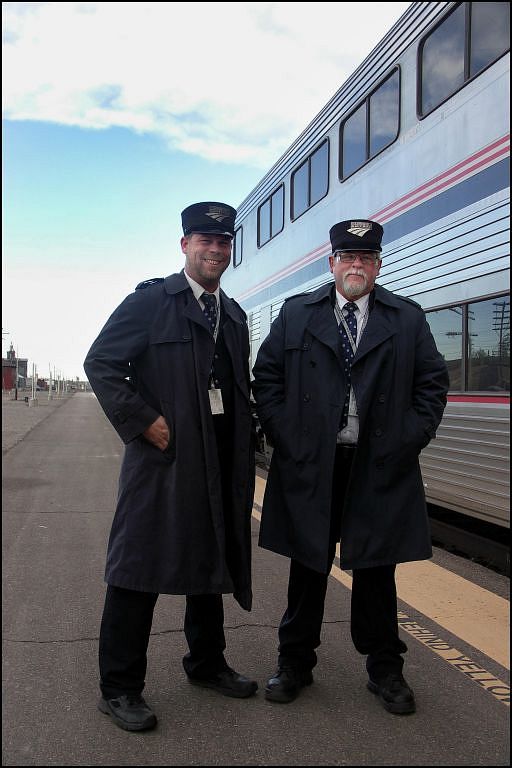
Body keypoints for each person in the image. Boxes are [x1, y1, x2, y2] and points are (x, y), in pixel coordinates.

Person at [252, 218, 449, 715]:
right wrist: (286, 436)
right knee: (307, 567)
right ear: (332, 262)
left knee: (378, 572)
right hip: (313, 464)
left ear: (378, 264)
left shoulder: (406, 318)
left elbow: (432, 383)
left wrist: (409, 440)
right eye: (346, 256)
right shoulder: (298, 314)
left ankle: (385, 669)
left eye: (365, 258)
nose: (355, 265)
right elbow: (267, 376)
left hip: (379, 466)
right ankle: (294, 662)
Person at [84, 201, 257, 732]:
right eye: (204, 240)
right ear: (184, 246)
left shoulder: (234, 316)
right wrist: (143, 421)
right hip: (161, 462)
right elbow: (101, 363)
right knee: (136, 571)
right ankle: (118, 687)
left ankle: (205, 664)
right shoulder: (150, 303)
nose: (215, 249)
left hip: (218, 460)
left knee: (209, 566)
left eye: (223, 241)